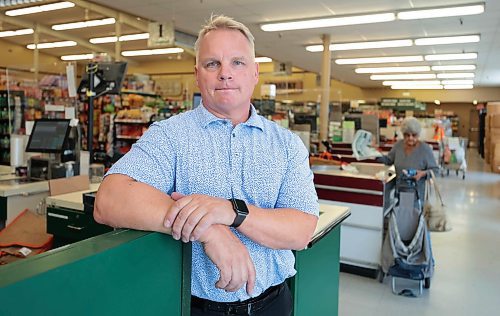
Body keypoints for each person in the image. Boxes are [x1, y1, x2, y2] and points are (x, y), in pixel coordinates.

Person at [94, 14, 319, 316]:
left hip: (273, 305)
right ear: (197, 74)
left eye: (237, 62)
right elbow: (109, 199)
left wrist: (230, 211)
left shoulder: (286, 144)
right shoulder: (170, 135)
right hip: (194, 308)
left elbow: (301, 230)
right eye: (213, 63)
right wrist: (209, 229)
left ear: (255, 73)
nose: (225, 73)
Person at [377, 117, 439, 201]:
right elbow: (389, 160)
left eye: (414, 135)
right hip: (398, 192)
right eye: (407, 135)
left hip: (416, 194)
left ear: (418, 134)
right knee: (400, 212)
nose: (410, 138)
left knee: (412, 213)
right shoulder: (398, 145)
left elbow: (435, 170)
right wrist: (375, 154)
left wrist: (422, 173)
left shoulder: (425, 149)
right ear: (403, 134)